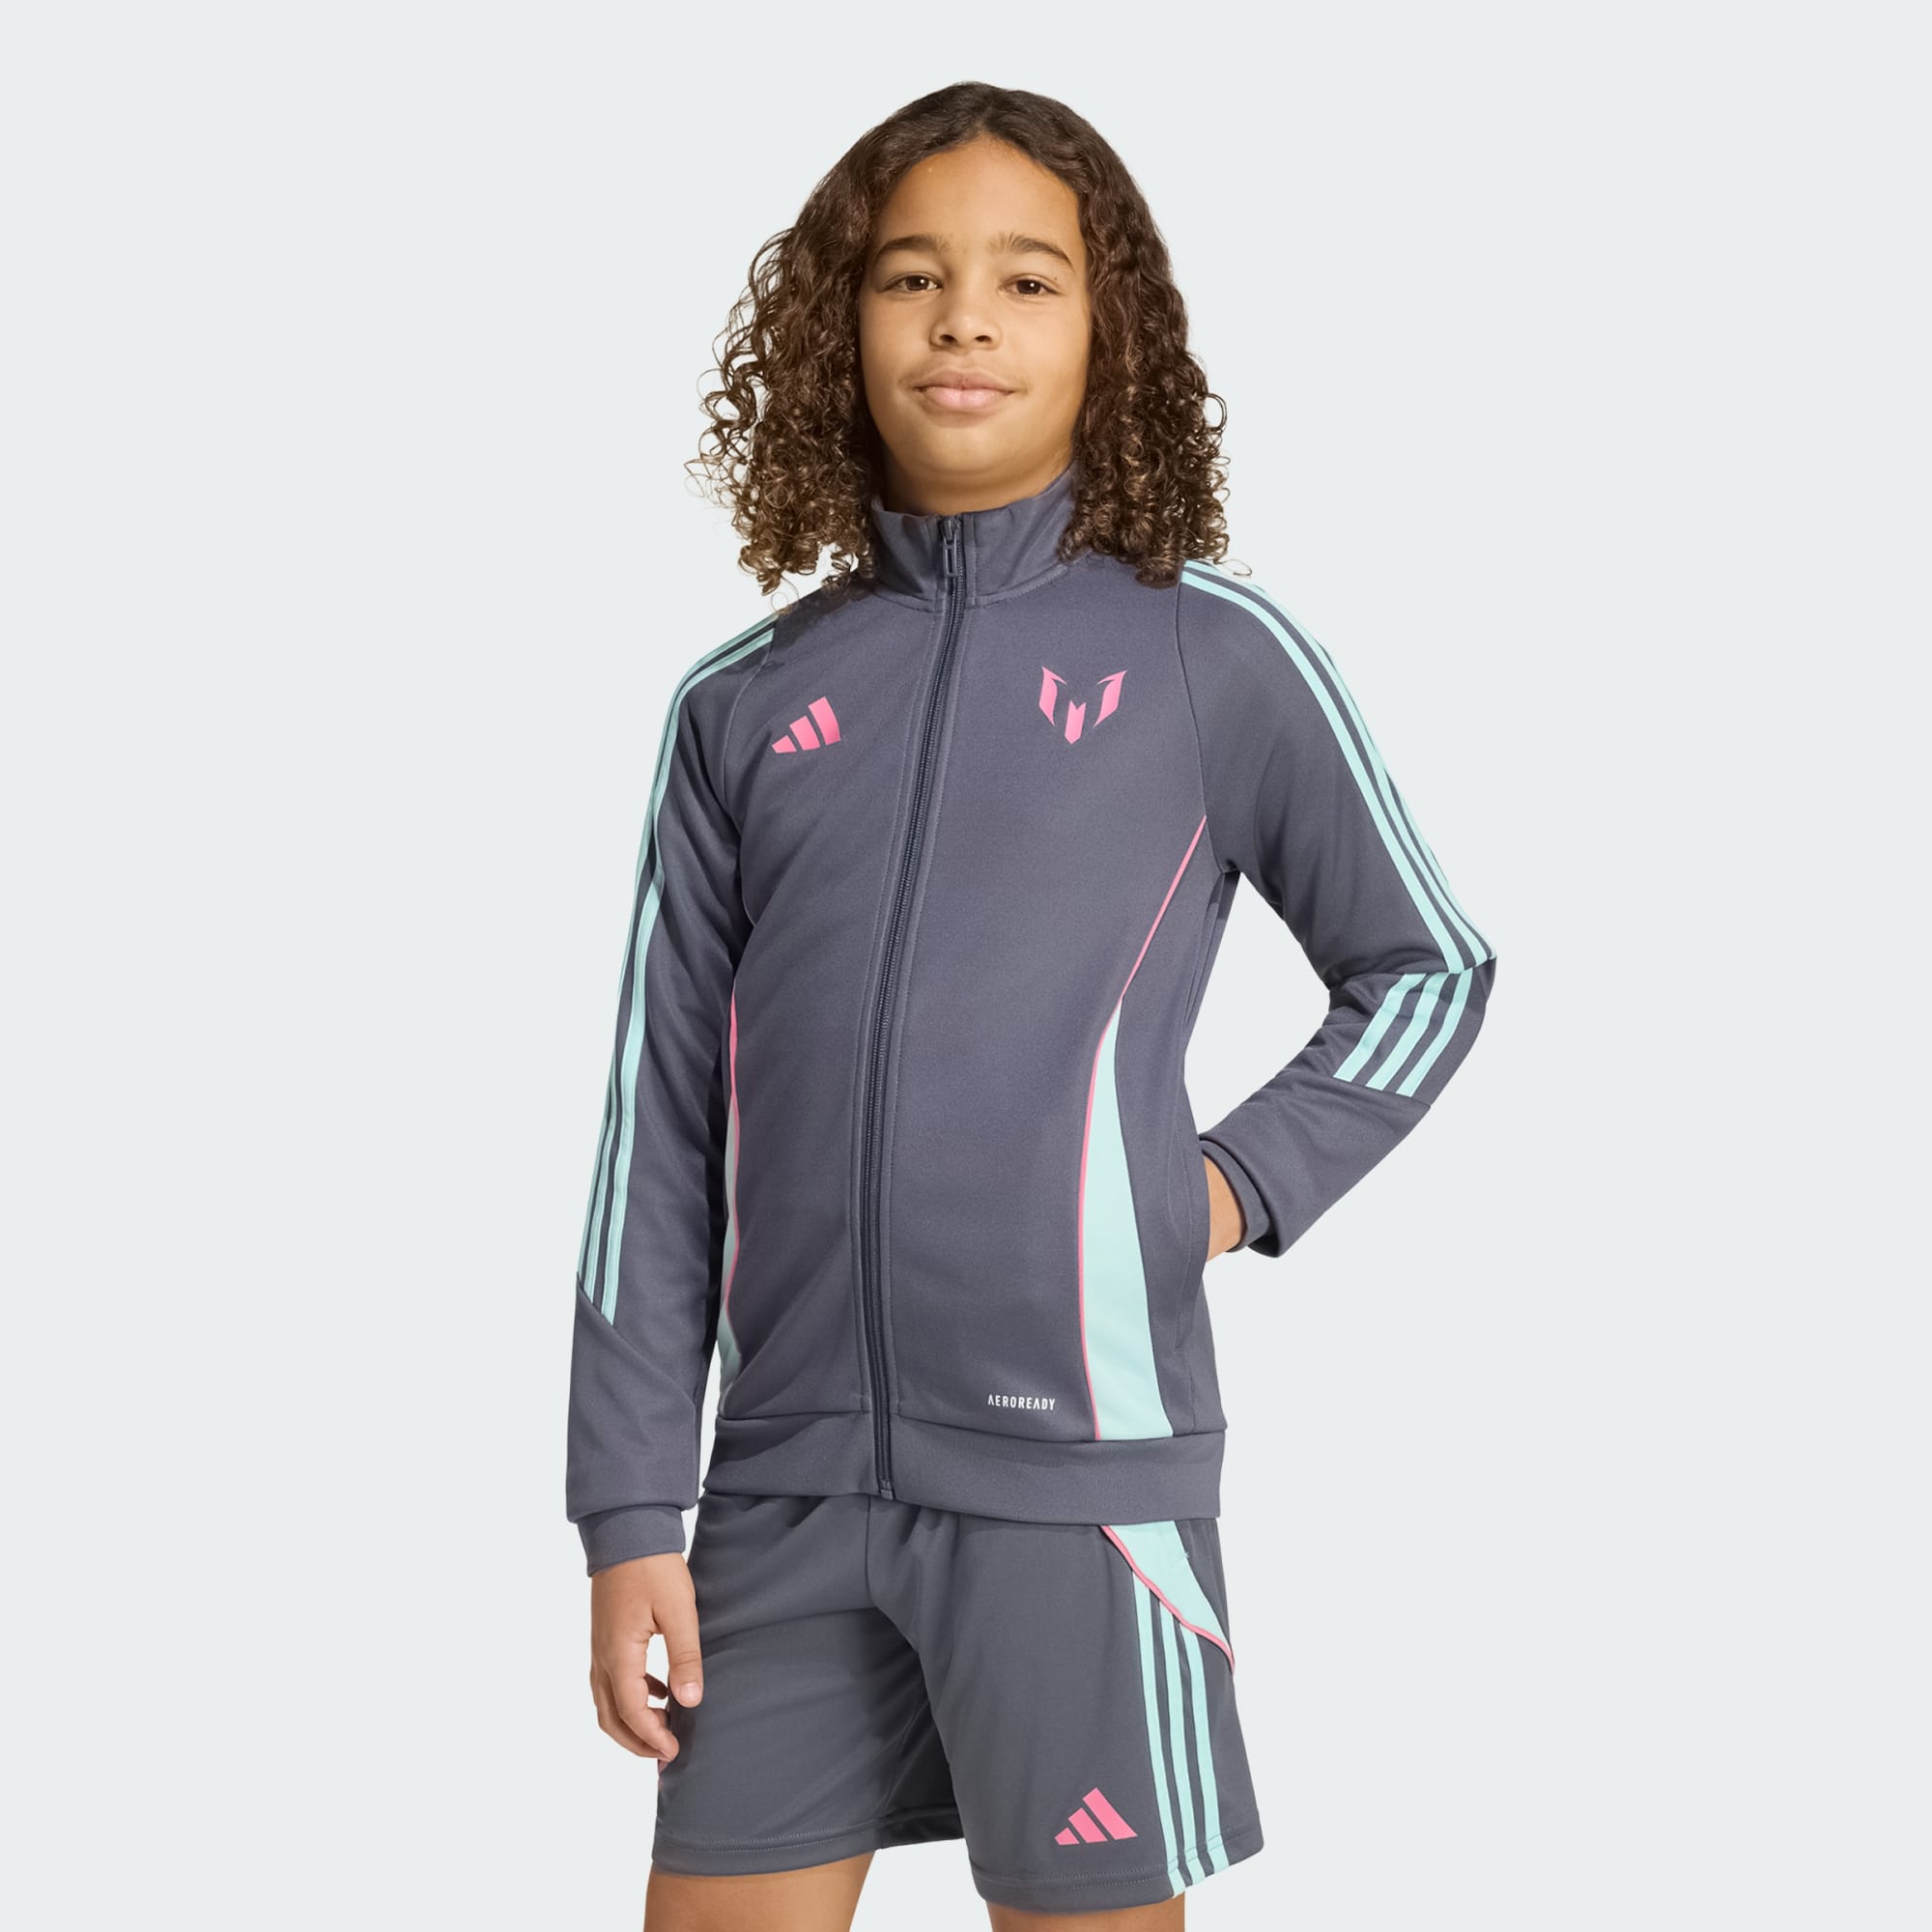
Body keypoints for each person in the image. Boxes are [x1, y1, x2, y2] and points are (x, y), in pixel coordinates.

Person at [566, 81, 1497, 1931]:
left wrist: (1222, 1189)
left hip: (1081, 1487)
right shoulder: (744, 701)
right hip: (780, 1491)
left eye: (1026, 280)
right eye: (911, 276)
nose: (965, 321)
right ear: (841, 324)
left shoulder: (1211, 653)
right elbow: (657, 1139)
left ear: (1108, 331)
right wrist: (627, 1510)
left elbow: (1427, 967)